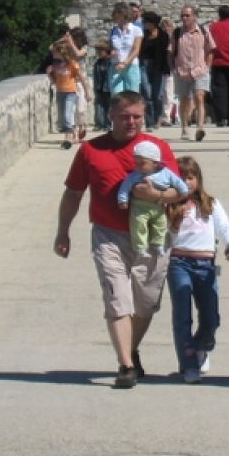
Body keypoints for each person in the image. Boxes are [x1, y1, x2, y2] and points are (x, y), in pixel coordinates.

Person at [55, 92, 185, 389]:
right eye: (125, 116)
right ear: (111, 116)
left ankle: (132, 348)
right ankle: (125, 364)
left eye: (137, 116)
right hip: (108, 235)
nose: (131, 122)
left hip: (153, 237)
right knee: (117, 299)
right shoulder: (91, 151)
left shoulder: (158, 148)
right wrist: (63, 231)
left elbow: (179, 191)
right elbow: (73, 193)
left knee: (146, 302)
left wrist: (157, 196)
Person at [166, 156, 229, 383]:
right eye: (181, 178)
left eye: (190, 178)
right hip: (179, 263)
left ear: (198, 179)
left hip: (206, 265)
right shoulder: (169, 206)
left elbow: (225, 227)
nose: (186, 183)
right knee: (182, 315)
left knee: (211, 317)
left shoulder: (210, 204)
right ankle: (188, 364)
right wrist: (173, 225)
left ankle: (201, 346)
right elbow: (163, 238)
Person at [117, 139, 189, 254]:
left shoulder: (165, 173)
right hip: (140, 207)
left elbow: (178, 182)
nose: (138, 166)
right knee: (138, 226)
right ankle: (140, 247)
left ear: (155, 162)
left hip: (158, 207)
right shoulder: (135, 175)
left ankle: (158, 244)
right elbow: (125, 187)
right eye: (136, 163)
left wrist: (184, 190)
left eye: (142, 163)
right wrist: (122, 200)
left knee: (161, 224)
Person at [169, 5, 215, 142]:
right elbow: (170, 52)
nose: (184, 18)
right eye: (182, 15)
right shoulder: (177, 33)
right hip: (182, 71)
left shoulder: (203, 31)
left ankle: (200, 127)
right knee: (184, 101)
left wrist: (208, 67)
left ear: (194, 16)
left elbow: (210, 50)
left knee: (199, 97)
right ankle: (184, 128)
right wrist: (173, 68)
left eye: (187, 15)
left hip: (199, 70)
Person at [46, 38, 80, 150]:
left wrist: (67, 40)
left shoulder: (72, 65)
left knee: (67, 114)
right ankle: (73, 131)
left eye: (58, 58)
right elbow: (54, 81)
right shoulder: (55, 67)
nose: (56, 61)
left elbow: (79, 77)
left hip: (71, 91)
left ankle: (68, 138)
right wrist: (50, 74)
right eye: (55, 59)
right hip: (60, 91)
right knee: (61, 116)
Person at [138, 12, 170, 129]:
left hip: (159, 67)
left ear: (154, 23)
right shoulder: (143, 35)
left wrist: (167, 69)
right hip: (144, 65)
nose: (145, 25)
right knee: (147, 93)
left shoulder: (163, 36)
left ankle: (157, 119)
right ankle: (149, 122)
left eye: (147, 22)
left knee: (158, 95)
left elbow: (166, 54)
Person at [108, 1, 143, 95]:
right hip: (115, 66)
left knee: (132, 98)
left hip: (131, 67)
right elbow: (111, 48)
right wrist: (111, 52)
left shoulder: (136, 30)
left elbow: (136, 50)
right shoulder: (113, 31)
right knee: (116, 97)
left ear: (123, 14)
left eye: (116, 13)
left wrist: (125, 63)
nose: (114, 16)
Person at [91, 41, 112, 130]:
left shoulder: (111, 62)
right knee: (98, 106)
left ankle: (107, 124)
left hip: (108, 88)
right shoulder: (98, 63)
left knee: (109, 106)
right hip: (99, 87)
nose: (98, 53)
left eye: (100, 51)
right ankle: (98, 124)